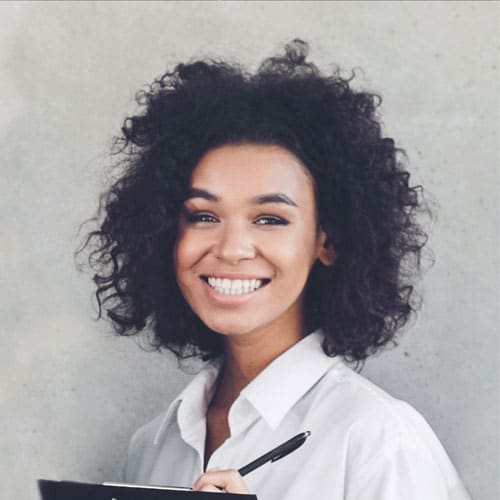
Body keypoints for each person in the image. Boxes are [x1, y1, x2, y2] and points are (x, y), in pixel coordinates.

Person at [83, 40, 471, 499]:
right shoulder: (154, 445)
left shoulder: (378, 439)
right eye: (203, 216)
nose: (231, 248)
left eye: (270, 219)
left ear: (326, 240)